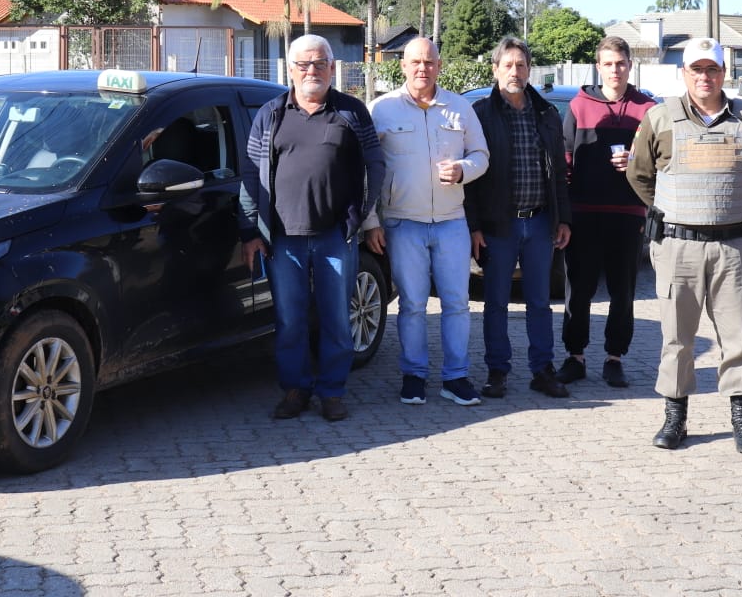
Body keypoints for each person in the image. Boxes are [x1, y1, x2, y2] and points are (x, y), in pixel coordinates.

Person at [627, 37, 742, 454]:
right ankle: (675, 420)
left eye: (712, 69)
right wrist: (672, 209)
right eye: (697, 70)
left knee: (739, 338)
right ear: (684, 74)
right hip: (679, 247)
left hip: (733, 247)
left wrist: (735, 209)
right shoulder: (659, 119)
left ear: (724, 73)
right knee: (677, 339)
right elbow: (640, 176)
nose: (705, 77)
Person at [239, 35, 385, 422]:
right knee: (290, 319)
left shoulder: (352, 112)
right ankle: (295, 389)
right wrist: (251, 231)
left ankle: (332, 392)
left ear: (332, 68)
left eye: (319, 63)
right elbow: (250, 177)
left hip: (335, 236)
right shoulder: (270, 114)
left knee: (337, 317)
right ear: (290, 70)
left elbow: (376, 165)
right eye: (303, 65)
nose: (311, 71)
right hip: (282, 240)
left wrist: (360, 216)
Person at [366, 37, 490, 407]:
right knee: (413, 304)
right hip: (403, 223)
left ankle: (456, 377)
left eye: (430, 62)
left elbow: (481, 154)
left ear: (439, 65)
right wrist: (371, 220)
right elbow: (366, 170)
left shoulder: (460, 107)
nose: (423, 68)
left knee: (457, 303)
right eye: (415, 62)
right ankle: (414, 376)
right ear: (402, 66)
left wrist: (463, 170)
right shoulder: (381, 110)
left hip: (452, 222)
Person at [467, 37, 573, 399]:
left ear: (530, 70)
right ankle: (497, 371)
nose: (515, 71)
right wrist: (475, 226)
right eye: (508, 65)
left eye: (521, 65)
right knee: (495, 302)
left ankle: (542, 370)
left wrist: (563, 219)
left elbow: (558, 171)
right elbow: (472, 180)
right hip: (499, 227)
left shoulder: (546, 114)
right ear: (495, 69)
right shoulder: (481, 113)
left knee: (540, 303)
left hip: (541, 222)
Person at [558, 36, 656, 389]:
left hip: (628, 213)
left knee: (622, 290)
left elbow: (660, 160)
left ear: (630, 65)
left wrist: (634, 161)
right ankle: (575, 356)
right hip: (583, 213)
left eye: (621, 63)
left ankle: (615, 358)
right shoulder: (579, 106)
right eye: (608, 63)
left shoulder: (648, 108)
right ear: (598, 67)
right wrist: (564, 214)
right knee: (579, 289)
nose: (615, 69)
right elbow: (564, 161)